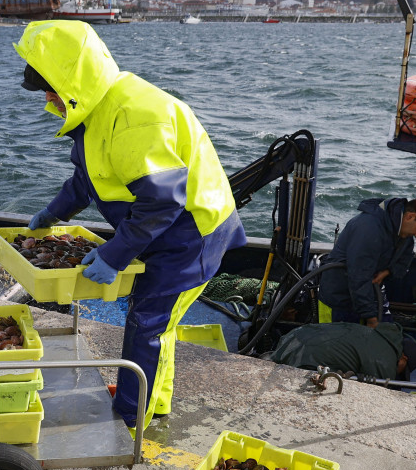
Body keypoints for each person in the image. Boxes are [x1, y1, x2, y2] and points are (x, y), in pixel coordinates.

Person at [14, 21, 246, 429]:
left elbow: (161, 202)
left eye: (48, 86)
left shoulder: (135, 114)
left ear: (70, 80)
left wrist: (113, 254)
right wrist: (53, 214)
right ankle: (151, 403)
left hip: (193, 231)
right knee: (161, 321)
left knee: (148, 322)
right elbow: (88, 179)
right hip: (162, 228)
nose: (47, 97)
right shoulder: (94, 110)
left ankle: (128, 417)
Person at [319, 197, 416, 327]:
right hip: (338, 300)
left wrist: (388, 272)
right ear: (410, 216)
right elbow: (358, 276)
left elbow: (405, 260)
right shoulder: (369, 228)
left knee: (383, 337)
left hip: (369, 297)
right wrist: (370, 317)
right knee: (336, 346)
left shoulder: (404, 235)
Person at [270, 322, 416, 382]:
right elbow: (377, 393)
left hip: (292, 337)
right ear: (403, 358)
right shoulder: (386, 361)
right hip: (305, 356)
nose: (398, 372)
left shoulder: (376, 335)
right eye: (403, 369)